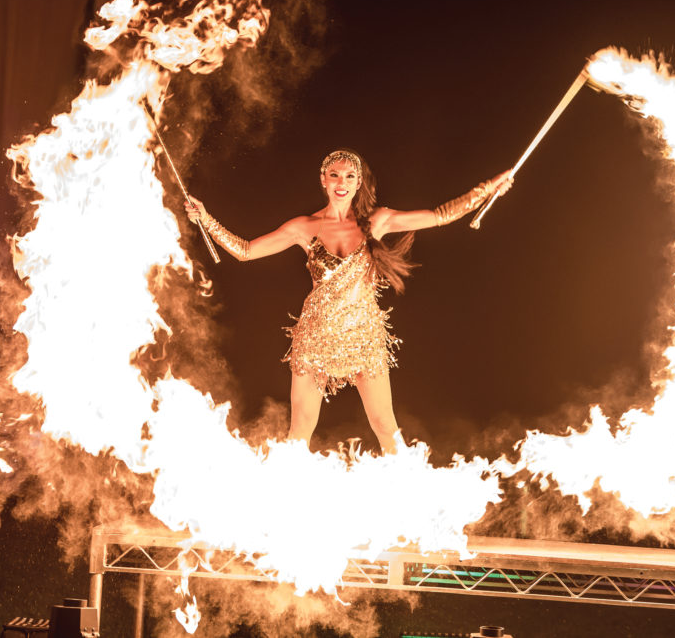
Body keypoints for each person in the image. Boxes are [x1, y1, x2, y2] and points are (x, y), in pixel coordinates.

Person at [185, 149, 512, 454]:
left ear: (359, 183)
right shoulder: (304, 227)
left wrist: (489, 188)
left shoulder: (377, 221)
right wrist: (206, 218)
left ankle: (409, 497)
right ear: (323, 180)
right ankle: (283, 500)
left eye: (349, 177)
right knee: (300, 429)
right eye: (335, 175)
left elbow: (440, 215)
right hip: (316, 337)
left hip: (363, 336)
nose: (341, 183)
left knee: (385, 425)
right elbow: (245, 250)